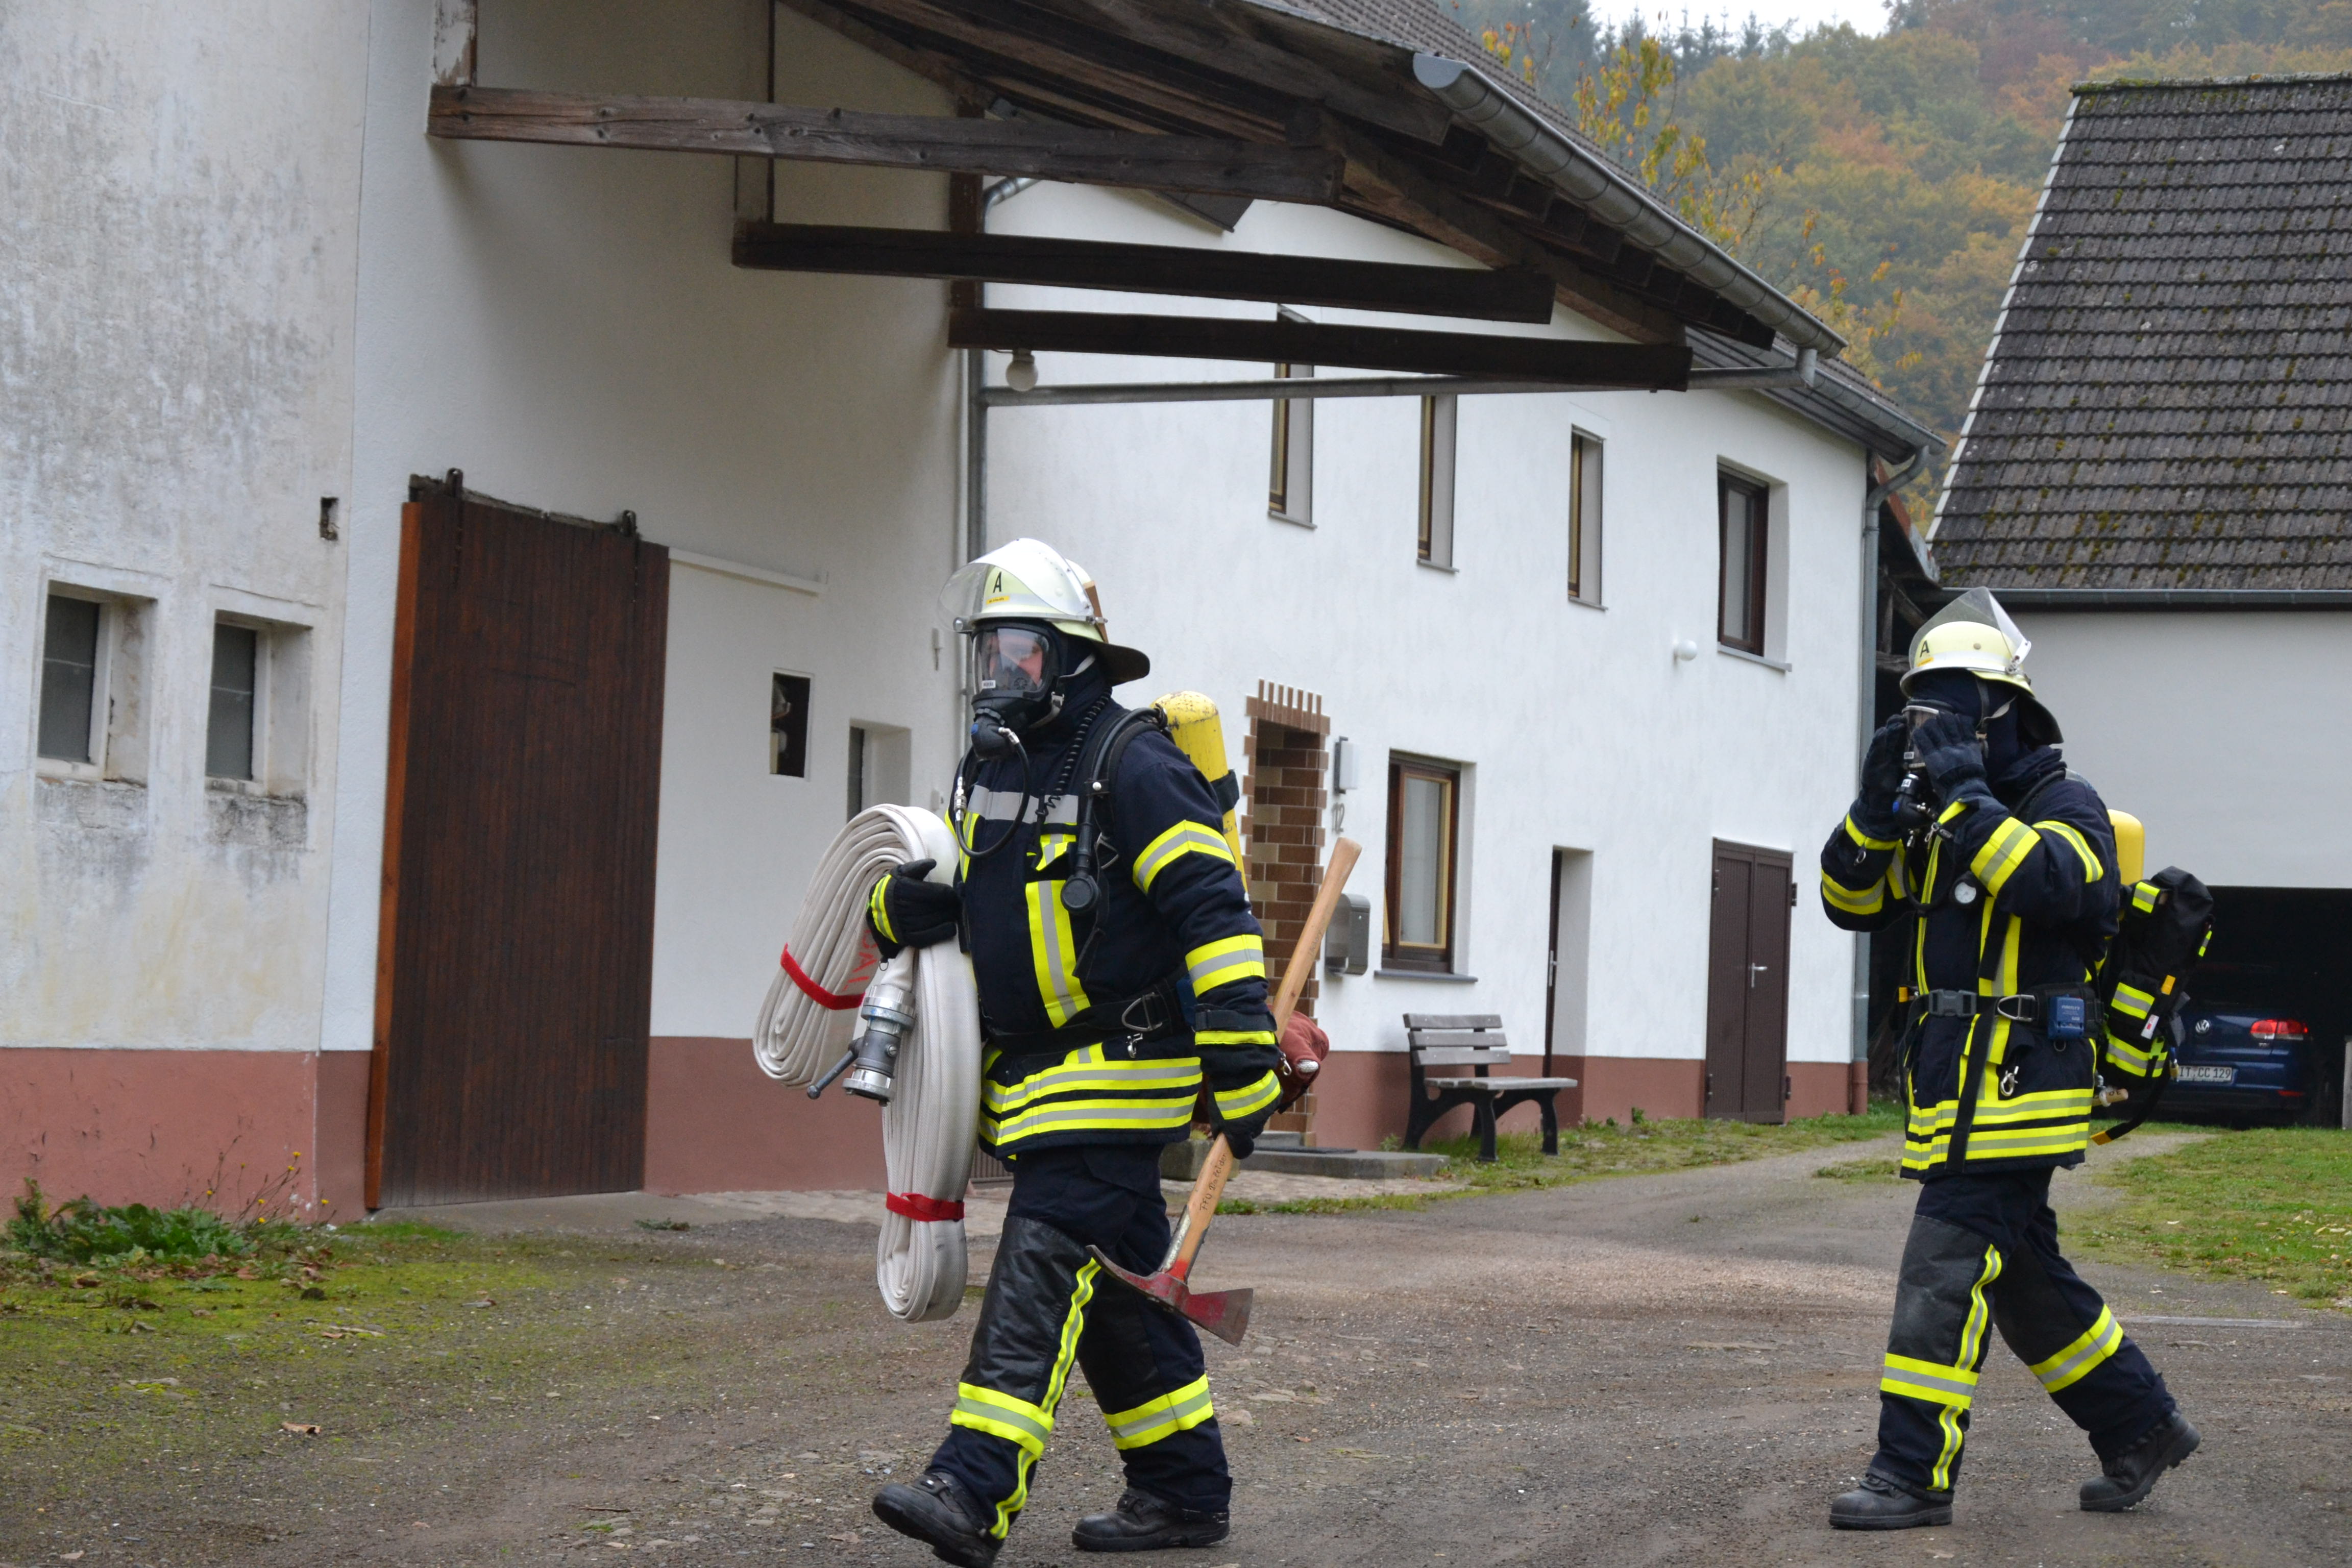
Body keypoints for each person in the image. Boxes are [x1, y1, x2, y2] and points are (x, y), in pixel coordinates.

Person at [867, 539, 1283, 1566]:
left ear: (1073, 658)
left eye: (1018, 651)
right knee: (1120, 1294)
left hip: (1119, 1071)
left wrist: (1242, 1062)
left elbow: (1215, 912)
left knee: (1044, 1258)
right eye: (988, 652)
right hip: (1029, 1077)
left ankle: (972, 1488)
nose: (998, 673)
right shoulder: (991, 767)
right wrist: (897, 910)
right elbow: (959, 889)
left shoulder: (1137, 765)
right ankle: (1183, 1492)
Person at [1819, 589, 2198, 1529]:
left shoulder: (2066, 804)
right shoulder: (1934, 816)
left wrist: (1967, 795)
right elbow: (1849, 902)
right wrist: (1874, 809)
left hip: (2024, 1088)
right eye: (1925, 711)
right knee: (2026, 1284)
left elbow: (2055, 887)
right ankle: (2143, 1425)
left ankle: (1911, 1473)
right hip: (1952, 1091)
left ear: (2005, 714)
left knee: (1942, 1274)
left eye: (1956, 709)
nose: (1938, 730)